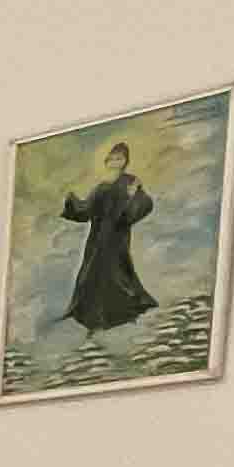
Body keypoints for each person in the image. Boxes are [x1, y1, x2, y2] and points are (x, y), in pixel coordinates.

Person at [57, 141, 157, 335]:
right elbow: (85, 210)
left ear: (125, 161)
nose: (115, 162)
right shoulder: (101, 187)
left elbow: (142, 205)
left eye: (119, 158)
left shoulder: (131, 182)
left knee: (117, 274)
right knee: (91, 275)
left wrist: (131, 196)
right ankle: (92, 321)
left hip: (116, 238)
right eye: (112, 159)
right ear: (107, 161)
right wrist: (71, 202)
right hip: (96, 239)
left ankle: (123, 316)